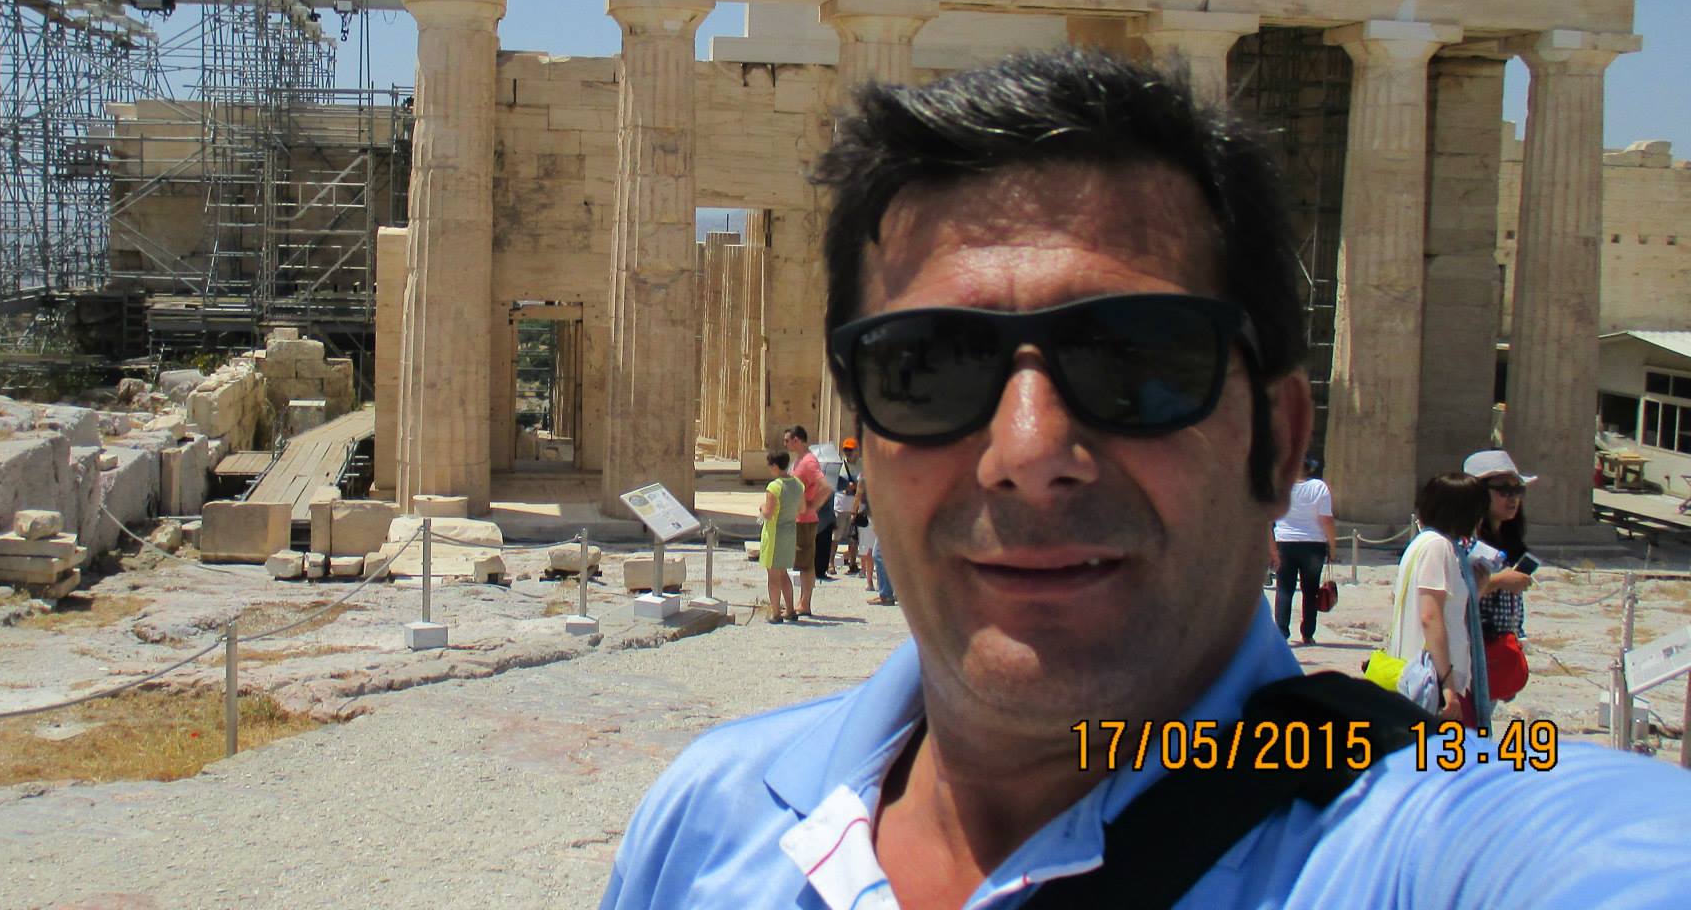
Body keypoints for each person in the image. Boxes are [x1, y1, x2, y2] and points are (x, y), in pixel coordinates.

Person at [601, 50, 1691, 910]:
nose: (1028, 450)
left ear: (1279, 441)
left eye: (1137, 360)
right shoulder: (704, 819)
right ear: (863, 441)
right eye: (928, 367)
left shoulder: (1431, 845)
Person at [1385, 474, 1484, 722]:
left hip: (1422, 676)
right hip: (1432, 682)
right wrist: (1448, 685)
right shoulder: (1437, 547)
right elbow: (1430, 616)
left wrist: (1477, 587)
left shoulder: (1422, 543)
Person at [1464, 449, 1535, 707]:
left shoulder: (1508, 539)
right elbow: (1456, 598)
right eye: (1504, 490)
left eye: (1517, 490)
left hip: (1498, 653)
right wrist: (1499, 581)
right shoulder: (1465, 541)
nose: (1513, 498)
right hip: (1470, 655)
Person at [1269, 456, 1334, 645]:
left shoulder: (1280, 487)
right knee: (1310, 590)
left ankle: (1281, 632)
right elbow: (1326, 520)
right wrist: (1333, 546)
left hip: (1285, 542)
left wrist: (1272, 549)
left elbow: (1268, 521)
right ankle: (1308, 634)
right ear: (1309, 469)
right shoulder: (1319, 487)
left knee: (1284, 589)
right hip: (1313, 544)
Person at [782, 426, 829, 616]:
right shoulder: (798, 460)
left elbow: (825, 487)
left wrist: (813, 506)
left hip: (805, 520)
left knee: (806, 563)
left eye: (787, 440)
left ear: (797, 440)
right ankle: (802, 601)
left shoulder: (809, 462)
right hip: (797, 518)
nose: (785, 444)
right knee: (801, 562)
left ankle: (805, 603)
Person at [758, 450, 804, 623]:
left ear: (775, 466)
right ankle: (790, 610)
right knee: (783, 573)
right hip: (790, 531)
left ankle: (776, 613)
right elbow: (802, 508)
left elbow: (768, 513)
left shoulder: (774, 487)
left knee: (773, 576)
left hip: (775, 534)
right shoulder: (798, 484)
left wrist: (762, 508)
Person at [834, 438, 863, 575]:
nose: (848, 452)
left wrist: (856, 486)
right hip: (841, 504)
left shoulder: (862, 465)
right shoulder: (839, 465)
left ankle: (852, 563)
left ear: (857, 450)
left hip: (856, 506)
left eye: (850, 449)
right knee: (836, 536)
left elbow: (865, 483)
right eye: (846, 449)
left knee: (854, 537)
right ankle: (830, 564)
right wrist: (846, 486)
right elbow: (833, 482)